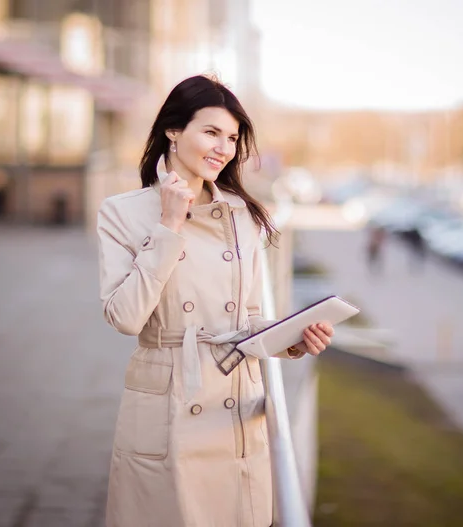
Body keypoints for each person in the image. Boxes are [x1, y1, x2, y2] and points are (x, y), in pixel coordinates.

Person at [96, 75, 334, 527]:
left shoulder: (244, 215)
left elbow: (247, 318)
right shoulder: (121, 212)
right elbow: (125, 317)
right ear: (173, 130)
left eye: (231, 138)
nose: (223, 148)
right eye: (210, 132)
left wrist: (295, 340)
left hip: (235, 405)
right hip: (169, 404)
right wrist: (169, 225)